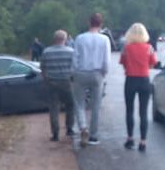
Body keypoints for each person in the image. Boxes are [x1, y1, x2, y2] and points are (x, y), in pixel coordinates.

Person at [72, 13, 111, 147]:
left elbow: (75, 57)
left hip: (81, 72)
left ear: (89, 23)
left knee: (79, 103)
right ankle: (93, 135)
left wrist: (74, 72)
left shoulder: (80, 38)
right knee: (96, 105)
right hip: (97, 73)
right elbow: (106, 60)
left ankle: (83, 127)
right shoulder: (104, 39)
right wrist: (104, 73)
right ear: (101, 24)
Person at [119, 22, 158, 152]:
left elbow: (123, 63)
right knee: (143, 112)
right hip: (144, 80)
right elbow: (152, 64)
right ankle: (143, 141)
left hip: (130, 80)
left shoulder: (126, 48)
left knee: (129, 110)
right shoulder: (149, 48)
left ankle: (130, 139)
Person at [39, 29, 75, 141]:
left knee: (54, 108)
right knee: (70, 105)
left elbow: (43, 68)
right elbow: (74, 68)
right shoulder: (71, 51)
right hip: (66, 82)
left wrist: (46, 80)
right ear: (64, 39)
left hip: (52, 82)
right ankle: (69, 129)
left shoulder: (46, 52)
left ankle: (55, 134)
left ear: (54, 39)